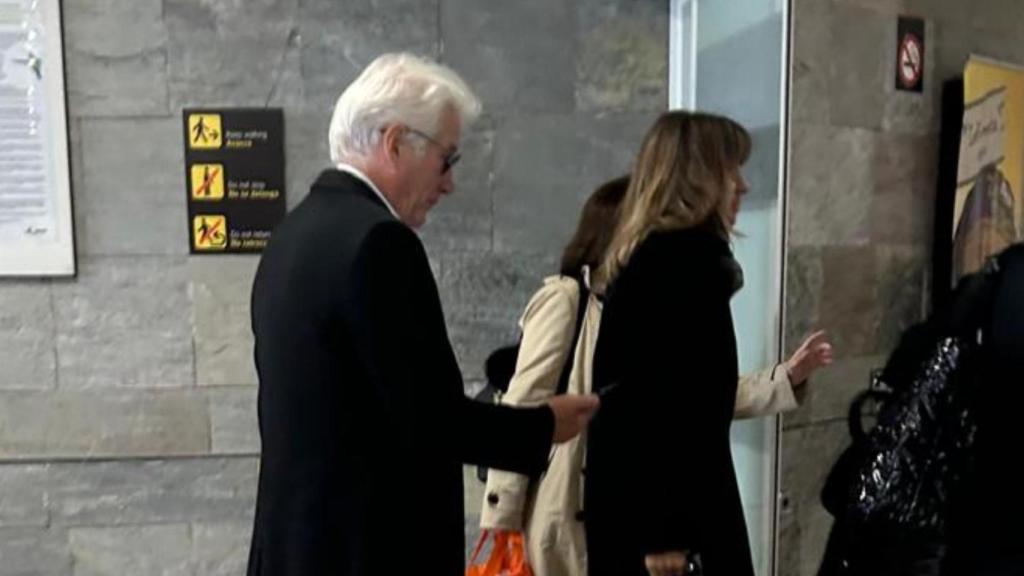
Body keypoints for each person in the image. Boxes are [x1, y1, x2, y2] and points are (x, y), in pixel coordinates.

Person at [245, 53, 599, 576]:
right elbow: (430, 418)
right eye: (446, 159)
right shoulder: (378, 242)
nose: (449, 183)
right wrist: (544, 424)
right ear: (395, 143)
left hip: (297, 547)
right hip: (370, 549)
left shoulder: (294, 233)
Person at [479, 176, 832, 576]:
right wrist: (503, 521)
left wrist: (784, 378)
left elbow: (694, 398)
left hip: (624, 507)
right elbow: (521, 409)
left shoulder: (648, 309)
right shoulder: (567, 300)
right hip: (568, 512)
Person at [584, 110, 760, 576]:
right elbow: (647, 410)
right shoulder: (678, 266)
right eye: (731, 170)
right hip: (671, 538)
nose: (742, 186)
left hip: (666, 522)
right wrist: (663, 536)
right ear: (699, 178)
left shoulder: (668, 260)